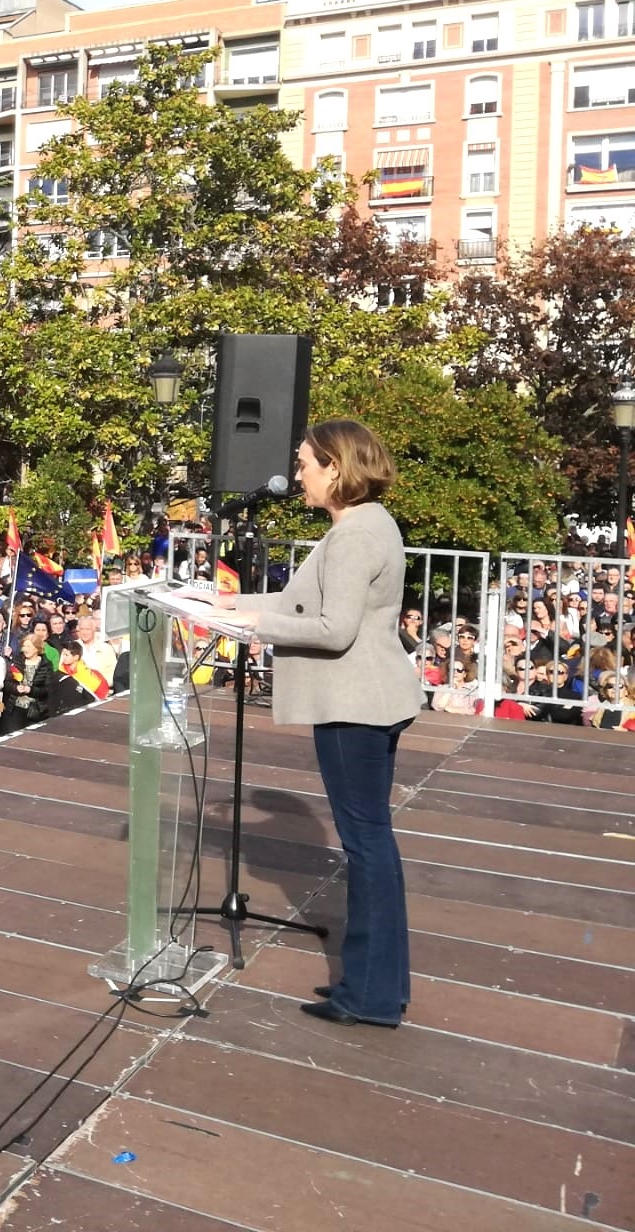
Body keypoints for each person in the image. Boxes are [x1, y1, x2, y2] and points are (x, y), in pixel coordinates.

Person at [213, 419, 423, 1030]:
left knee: (367, 846)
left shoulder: (354, 534)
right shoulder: (368, 523)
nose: (297, 473)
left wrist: (257, 625)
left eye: (305, 462)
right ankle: (377, 984)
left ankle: (370, 996)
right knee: (373, 843)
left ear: (336, 467)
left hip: (354, 706)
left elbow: (334, 630)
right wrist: (230, 604)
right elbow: (301, 605)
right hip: (369, 699)